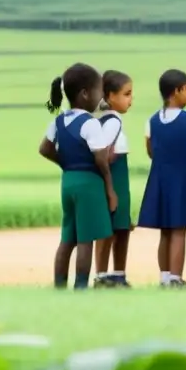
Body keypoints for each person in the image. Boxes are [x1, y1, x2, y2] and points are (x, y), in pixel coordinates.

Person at [38, 63, 117, 290]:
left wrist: (66, 162)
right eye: (99, 91)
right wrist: (110, 189)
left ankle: (59, 286)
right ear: (85, 93)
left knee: (67, 239)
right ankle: (81, 286)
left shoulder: (58, 121)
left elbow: (44, 149)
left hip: (68, 181)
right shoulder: (90, 123)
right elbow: (101, 160)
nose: (101, 97)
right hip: (89, 183)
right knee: (86, 239)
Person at [138, 69, 186, 288]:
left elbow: (150, 150)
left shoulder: (152, 120)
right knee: (179, 229)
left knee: (165, 231)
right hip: (182, 178)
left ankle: (165, 277)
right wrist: (184, 166)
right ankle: (176, 278)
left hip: (159, 178)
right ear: (177, 91)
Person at [93, 70, 134, 288]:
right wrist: (110, 189)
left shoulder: (109, 120)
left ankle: (116, 274)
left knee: (121, 228)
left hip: (119, 180)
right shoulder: (112, 122)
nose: (131, 100)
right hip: (115, 180)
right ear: (110, 96)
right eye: (126, 94)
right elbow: (103, 154)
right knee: (109, 230)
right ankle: (103, 275)